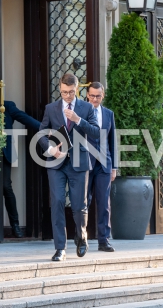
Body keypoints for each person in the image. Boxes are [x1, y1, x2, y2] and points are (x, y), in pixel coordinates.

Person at [38, 73, 100, 261]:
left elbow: (96, 132)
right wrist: (50, 149)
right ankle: (60, 248)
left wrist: (78, 119)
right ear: (60, 88)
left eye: (71, 92)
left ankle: (81, 237)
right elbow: (41, 132)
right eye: (64, 92)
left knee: (79, 206)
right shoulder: (51, 108)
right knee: (56, 202)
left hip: (79, 163)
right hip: (56, 163)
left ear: (77, 89)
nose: (67, 96)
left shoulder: (87, 107)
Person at [86, 82, 117, 252]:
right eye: (92, 95)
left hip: (104, 164)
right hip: (85, 163)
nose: (95, 99)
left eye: (98, 96)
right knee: (84, 201)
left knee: (104, 203)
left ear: (102, 95)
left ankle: (103, 240)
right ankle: (81, 236)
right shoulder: (81, 112)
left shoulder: (108, 114)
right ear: (87, 95)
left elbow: (112, 141)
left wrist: (114, 167)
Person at [3, 100, 40, 238]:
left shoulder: (7, 106)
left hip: (3, 153)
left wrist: (44, 128)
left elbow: (25, 118)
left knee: (6, 186)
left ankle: (15, 225)